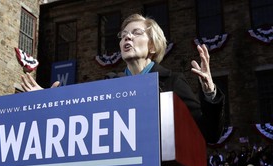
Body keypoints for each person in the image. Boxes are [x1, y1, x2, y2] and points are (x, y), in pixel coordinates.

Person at [20, 13, 225, 143]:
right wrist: (47, 100)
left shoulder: (172, 82)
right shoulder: (109, 83)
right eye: (123, 35)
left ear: (152, 45)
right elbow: (80, 118)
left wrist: (209, 91)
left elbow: (209, 133)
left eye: (136, 33)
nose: (127, 37)